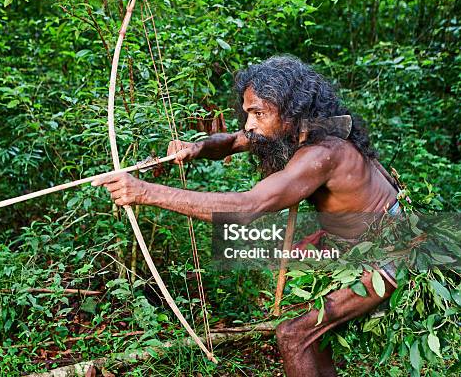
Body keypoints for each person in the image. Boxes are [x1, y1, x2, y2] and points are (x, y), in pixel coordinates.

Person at [92, 55, 400, 376]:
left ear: (291, 111)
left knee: (294, 335)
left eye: (258, 113)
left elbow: (246, 208)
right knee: (308, 333)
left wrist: (143, 192)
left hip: (389, 253)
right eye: (248, 112)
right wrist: (195, 147)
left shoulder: (322, 153)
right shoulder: (301, 128)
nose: (249, 124)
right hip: (354, 248)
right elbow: (232, 141)